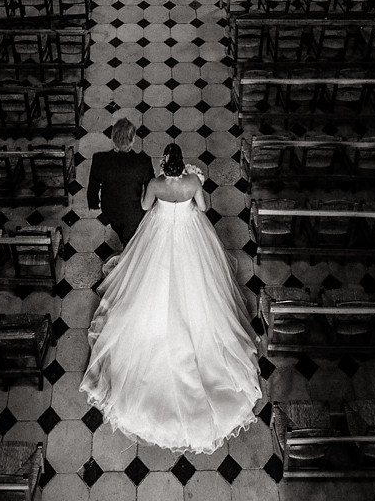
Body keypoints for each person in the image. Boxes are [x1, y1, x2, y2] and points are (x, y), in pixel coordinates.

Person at [80, 142, 261, 454]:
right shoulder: (192, 183)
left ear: (165, 164)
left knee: (147, 284)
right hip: (189, 233)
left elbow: (147, 205)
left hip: (161, 233)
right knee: (202, 289)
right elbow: (203, 208)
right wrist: (192, 189)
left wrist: (162, 196)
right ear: (183, 165)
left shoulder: (155, 184)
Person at [86, 117, 154, 250]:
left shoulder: (99, 160)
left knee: (117, 226)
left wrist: (93, 202)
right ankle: (128, 246)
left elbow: (93, 187)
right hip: (134, 212)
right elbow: (151, 186)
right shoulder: (143, 162)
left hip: (110, 209)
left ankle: (123, 239)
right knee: (129, 235)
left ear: (112, 138)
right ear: (133, 139)